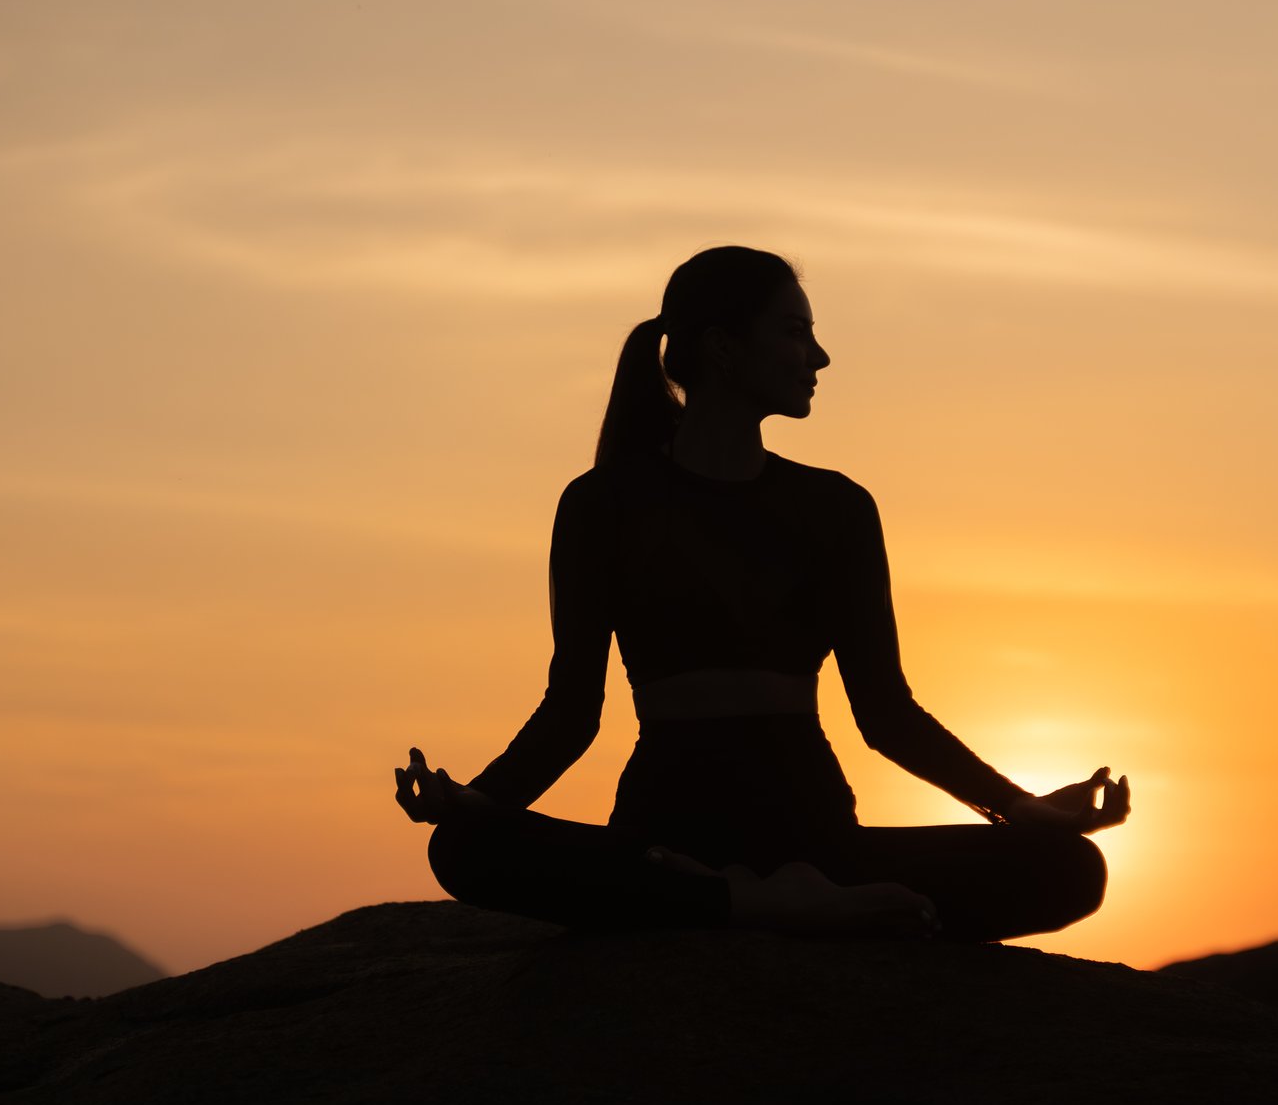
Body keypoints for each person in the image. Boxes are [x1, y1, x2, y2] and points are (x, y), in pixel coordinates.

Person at [396, 246, 1130, 941]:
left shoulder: (836, 507)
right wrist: (476, 804)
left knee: (1069, 868)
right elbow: (571, 711)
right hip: (667, 827)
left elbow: (887, 713)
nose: (818, 357)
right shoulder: (603, 503)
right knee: (465, 847)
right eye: (794, 333)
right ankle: (756, 904)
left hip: (813, 832)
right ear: (721, 346)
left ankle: (727, 905)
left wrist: (1022, 808)